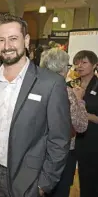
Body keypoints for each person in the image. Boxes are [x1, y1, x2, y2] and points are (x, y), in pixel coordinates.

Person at [0, 13, 71, 197]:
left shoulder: (50, 83)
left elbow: (59, 139)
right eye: (1, 40)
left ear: (26, 40)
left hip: (29, 178)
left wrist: (45, 184)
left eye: (13, 39)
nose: (7, 46)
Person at [40, 48, 88, 197]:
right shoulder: (65, 91)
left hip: (37, 150)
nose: (70, 69)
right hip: (62, 153)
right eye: (68, 66)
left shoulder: (35, 86)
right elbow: (81, 125)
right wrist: (79, 100)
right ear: (61, 68)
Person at [71, 50, 98, 197]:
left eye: (84, 62)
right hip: (75, 140)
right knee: (82, 179)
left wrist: (85, 115)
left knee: (92, 180)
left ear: (94, 65)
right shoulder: (72, 84)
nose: (79, 66)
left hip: (93, 140)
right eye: (77, 62)